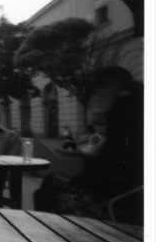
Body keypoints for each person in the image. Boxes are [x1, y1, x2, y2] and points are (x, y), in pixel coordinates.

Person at [34, 82, 143, 225]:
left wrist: (89, 158)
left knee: (48, 184)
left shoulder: (119, 140)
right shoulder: (136, 138)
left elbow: (92, 178)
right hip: (129, 204)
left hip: (110, 204)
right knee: (48, 188)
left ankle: (45, 227)